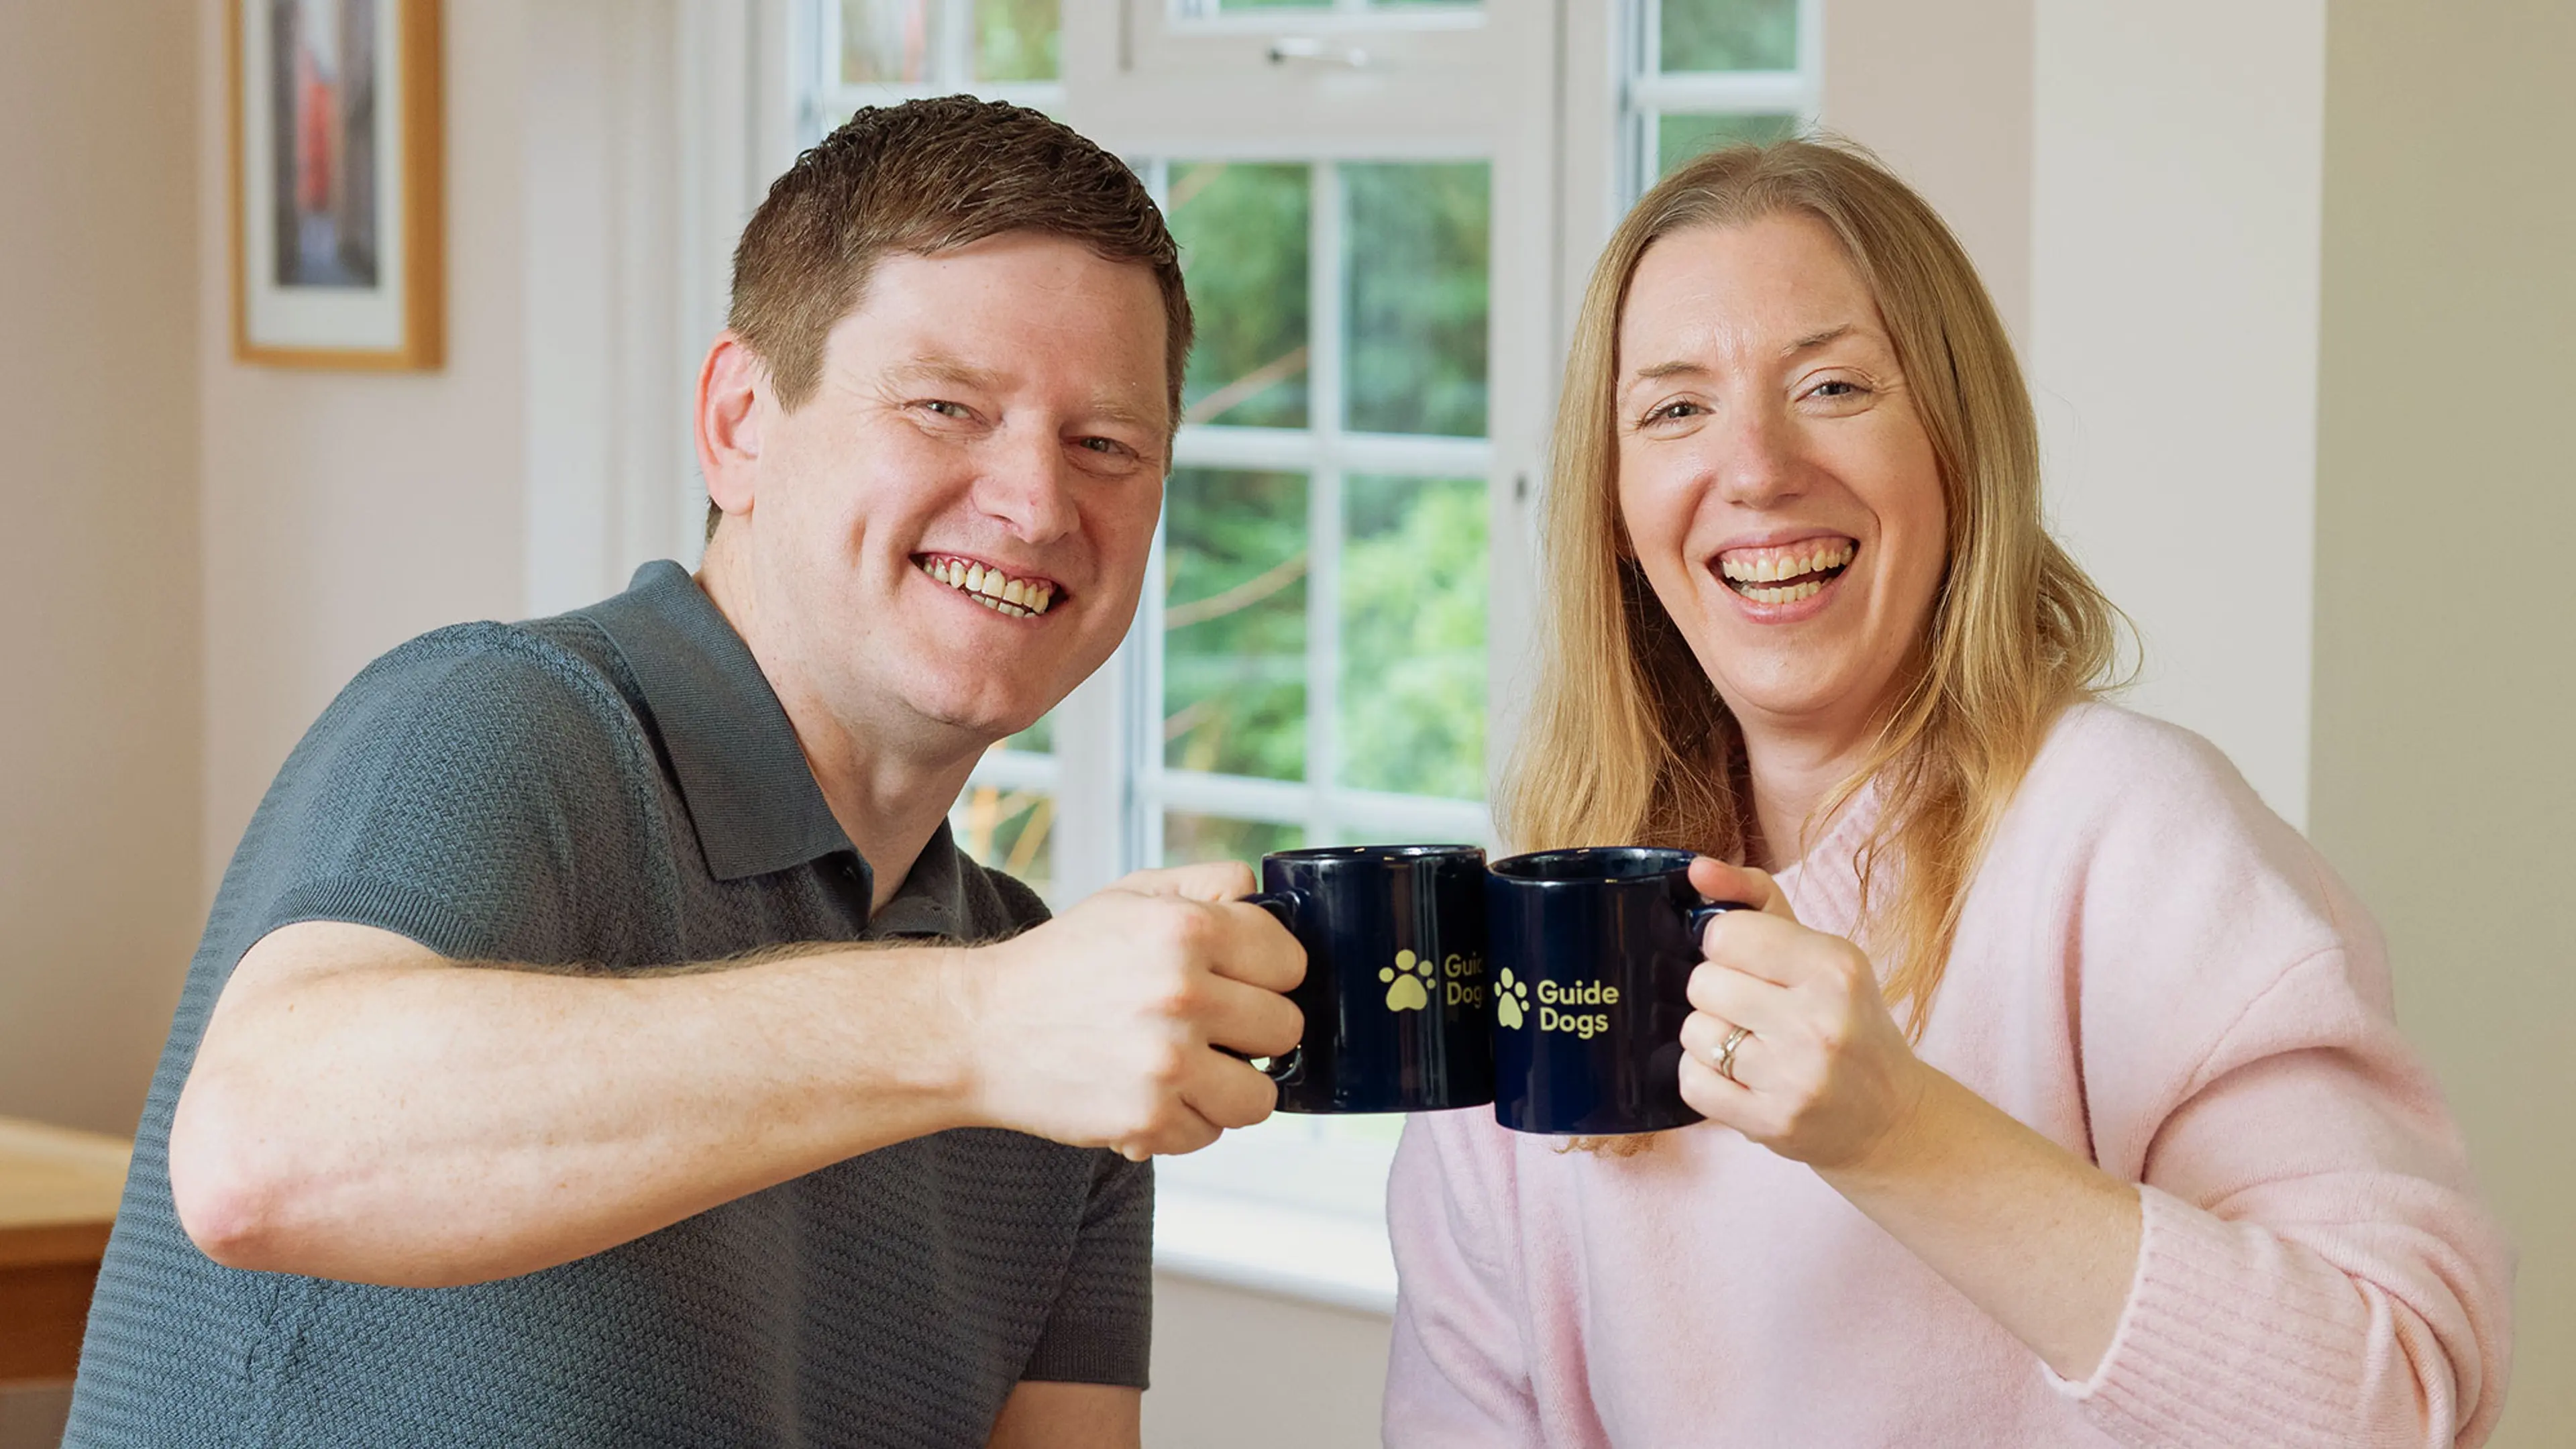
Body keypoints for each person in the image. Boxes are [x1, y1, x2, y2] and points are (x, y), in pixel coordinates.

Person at [68, 98, 1305, 1449]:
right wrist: (972, 1029)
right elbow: (259, 1153)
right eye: (947, 406)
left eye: (1107, 446)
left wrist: (1006, 1021)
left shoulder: (1048, 1002)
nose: (1036, 502)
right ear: (739, 421)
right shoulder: (503, 725)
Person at [1383, 138, 2514, 1446]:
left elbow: (2397, 1403)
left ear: (1958, 449)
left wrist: (1901, 1132)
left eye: (1834, 384)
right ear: (1616, 507)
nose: (1756, 467)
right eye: (1676, 409)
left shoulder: (2137, 844)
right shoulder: (1537, 935)